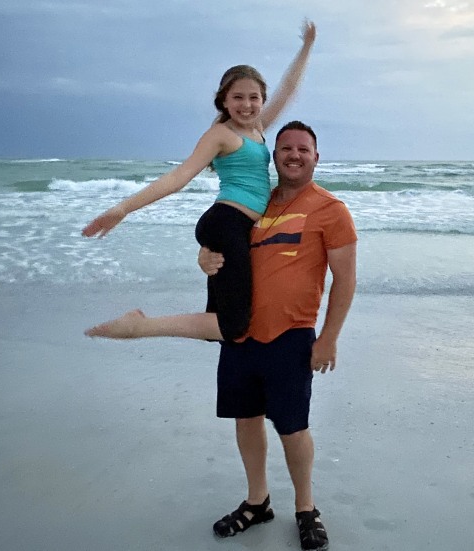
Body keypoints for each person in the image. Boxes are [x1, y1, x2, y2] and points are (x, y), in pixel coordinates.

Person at [86, 121, 357, 551]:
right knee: (245, 420)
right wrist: (205, 255)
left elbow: (345, 280)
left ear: (316, 157)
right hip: (240, 336)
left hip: (291, 336)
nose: (293, 155)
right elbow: (225, 249)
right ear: (274, 156)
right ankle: (257, 501)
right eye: (285, 148)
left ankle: (306, 508)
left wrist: (329, 338)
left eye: (303, 149)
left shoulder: (330, 209)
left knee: (293, 428)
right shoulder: (254, 206)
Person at [83, 21, 316, 342]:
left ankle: (140, 326)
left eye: (254, 98)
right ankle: (138, 327)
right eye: (238, 97)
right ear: (223, 100)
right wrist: (123, 208)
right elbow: (179, 176)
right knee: (231, 326)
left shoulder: (258, 128)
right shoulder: (221, 134)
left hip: (236, 228)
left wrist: (306, 47)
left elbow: (289, 88)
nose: (246, 105)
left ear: (262, 99)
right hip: (226, 224)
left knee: (217, 323)